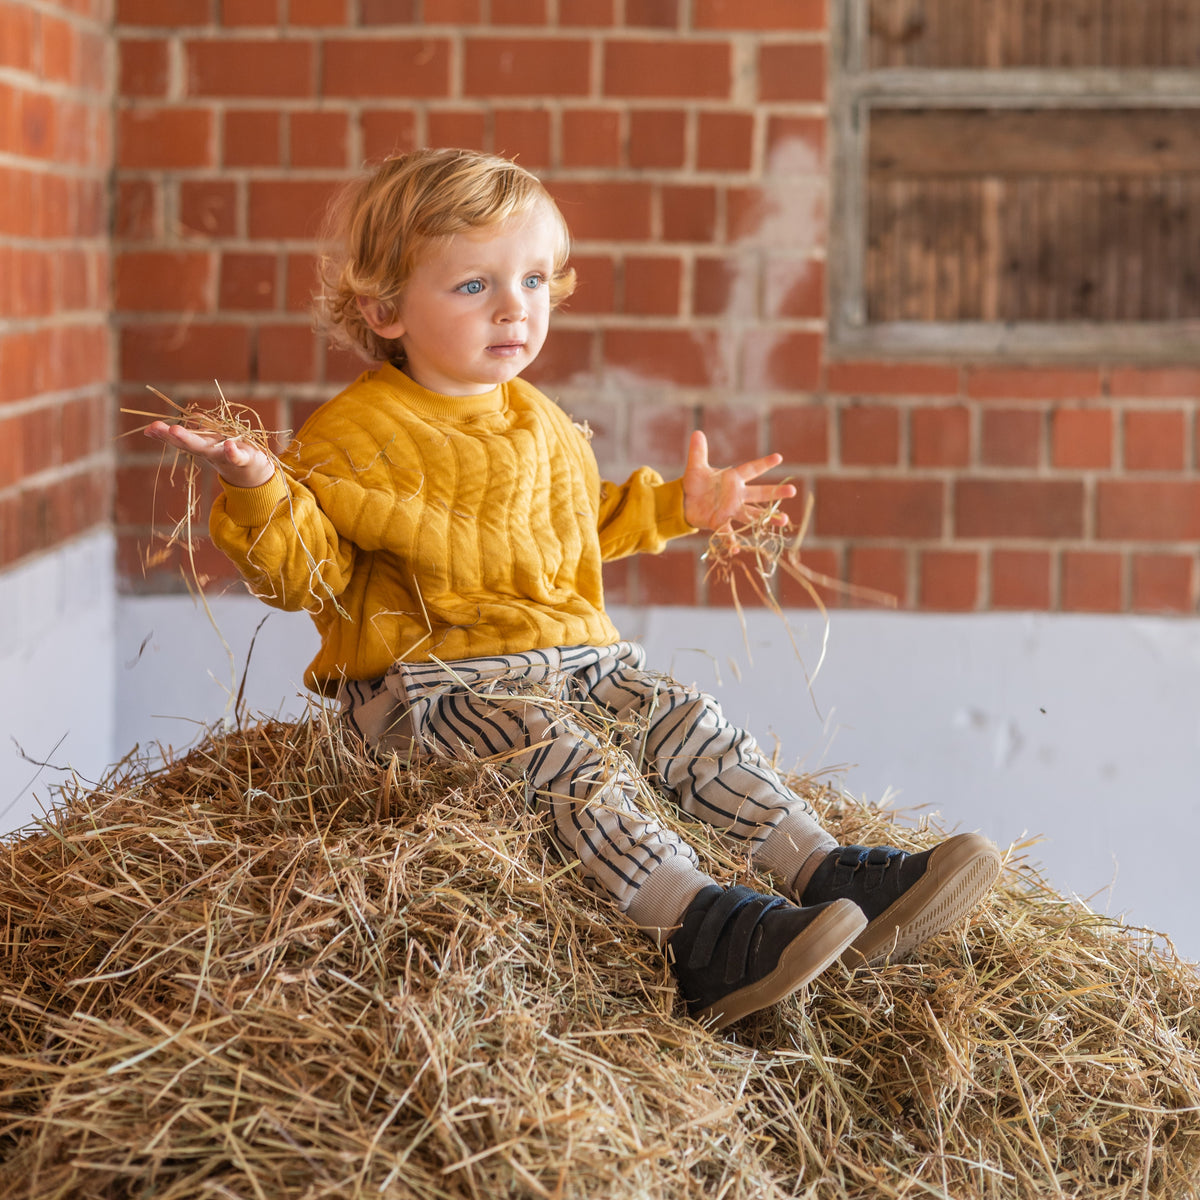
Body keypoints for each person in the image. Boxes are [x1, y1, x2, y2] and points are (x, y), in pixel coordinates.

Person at [146, 148, 1000, 1031]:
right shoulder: (355, 435)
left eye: (533, 279)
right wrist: (257, 486)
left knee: (679, 718)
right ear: (386, 308)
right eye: (473, 286)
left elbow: (571, 525)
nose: (515, 306)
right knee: (555, 754)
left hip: (575, 657)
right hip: (436, 686)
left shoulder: (537, 418)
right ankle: (700, 930)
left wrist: (678, 507)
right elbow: (304, 571)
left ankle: (823, 871)